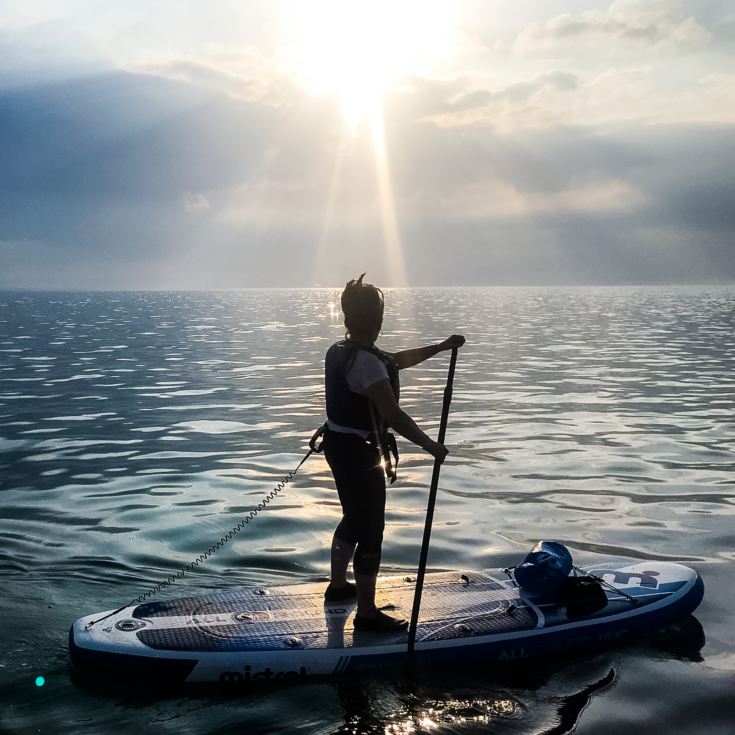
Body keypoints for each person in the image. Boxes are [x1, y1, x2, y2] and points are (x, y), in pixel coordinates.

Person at [322, 273, 465, 633]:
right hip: (359, 454)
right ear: (377, 319)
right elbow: (393, 414)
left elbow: (394, 361)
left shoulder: (341, 351)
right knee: (371, 529)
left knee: (353, 517)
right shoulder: (366, 361)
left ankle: (339, 588)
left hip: (338, 447)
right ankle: (367, 615)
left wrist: (440, 347)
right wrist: (430, 445)